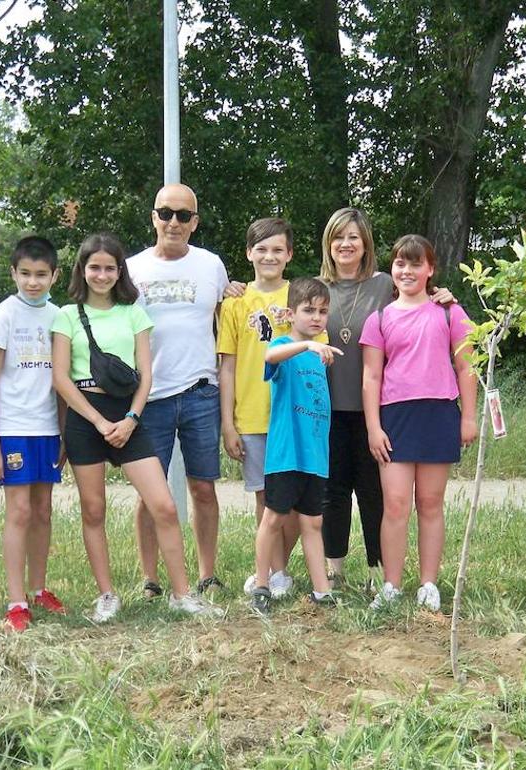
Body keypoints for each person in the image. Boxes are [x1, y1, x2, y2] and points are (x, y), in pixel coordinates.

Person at [51, 232, 222, 619]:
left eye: (110, 268)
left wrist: (129, 419)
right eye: (95, 267)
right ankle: (107, 594)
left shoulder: (133, 313)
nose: (102, 275)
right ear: (83, 269)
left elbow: (146, 375)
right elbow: (61, 378)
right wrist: (96, 420)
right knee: (93, 510)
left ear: (120, 272)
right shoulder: (66, 315)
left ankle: (182, 593)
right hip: (85, 415)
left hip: (128, 415)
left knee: (162, 504)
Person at [317, 208, 455, 592]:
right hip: (326, 405)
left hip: (377, 409)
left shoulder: (382, 284)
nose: (346, 244)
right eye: (338, 237)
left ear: (366, 245)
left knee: (376, 491)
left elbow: (419, 303)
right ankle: (335, 568)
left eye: (354, 238)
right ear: (329, 243)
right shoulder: (315, 288)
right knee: (334, 490)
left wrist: (443, 296)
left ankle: (379, 570)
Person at [361, 235, 477, 611]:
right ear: (391, 269)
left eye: (415, 264)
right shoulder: (378, 318)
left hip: (439, 414)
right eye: (400, 263)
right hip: (395, 417)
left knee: (430, 503)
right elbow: (371, 378)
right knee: (395, 504)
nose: (407, 271)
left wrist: (469, 416)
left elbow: (466, 367)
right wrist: (373, 427)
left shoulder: (450, 313)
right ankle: (391, 585)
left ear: (430, 269)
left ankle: (428, 583)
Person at [127, 183, 229, 597]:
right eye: (165, 213)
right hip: (149, 396)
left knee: (203, 487)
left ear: (195, 222)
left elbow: (229, 323)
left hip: (201, 391)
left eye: (183, 215)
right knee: (151, 494)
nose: (173, 222)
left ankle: (207, 574)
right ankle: (150, 579)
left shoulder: (211, 266)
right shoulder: (131, 268)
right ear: (153, 217)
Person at [0, 236, 66, 632]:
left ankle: (38, 589)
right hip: (13, 428)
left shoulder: (59, 317)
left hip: (47, 428)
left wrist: (64, 434)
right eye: (26, 274)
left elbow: (63, 381)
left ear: (54, 276)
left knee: (43, 511)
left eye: (41, 275)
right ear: (13, 273)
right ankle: (16, 601)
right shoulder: (3, 316)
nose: (33, 282)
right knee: (18, 512)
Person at [218, 218, 306, 599]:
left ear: (289, 255)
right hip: (252, 415)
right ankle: (271, 570)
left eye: (277, 250)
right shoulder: (236, 303)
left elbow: (318, 349)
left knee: (298, 499)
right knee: (265, 498)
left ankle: (281, 566)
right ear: (248, 253)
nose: (269, 256)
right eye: (262, 249)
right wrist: (228, 424)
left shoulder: (300, 296)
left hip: (295, 415)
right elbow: (228, 365)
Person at [250, 277, 341, 616]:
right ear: (291, 313)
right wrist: (307, 346)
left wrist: (317, 349)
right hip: (286, 455)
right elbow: (272, 354)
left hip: (315, 457)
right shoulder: (288, 347)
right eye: (308, 310)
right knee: (273, 518)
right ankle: (262, 584)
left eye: (323, 312)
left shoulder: (322, 355)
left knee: (313, 523)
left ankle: (322, 590)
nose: (317, 318)